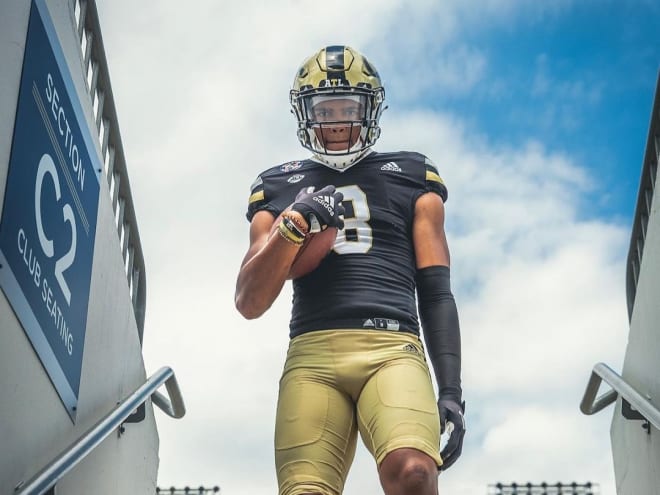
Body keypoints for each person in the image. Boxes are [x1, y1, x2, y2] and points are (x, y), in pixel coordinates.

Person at [235, 45, 465, 495]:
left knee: (415, 472)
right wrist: (295, 222)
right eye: (325, 109)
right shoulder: (277, 186)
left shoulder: (413, 175)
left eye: (348, 108)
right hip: (312, 352)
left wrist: (451, 388)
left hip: (393, 345)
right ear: (305, 114)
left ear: (370, 109)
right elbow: (249, 300)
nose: (337, 121)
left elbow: (436, 291)